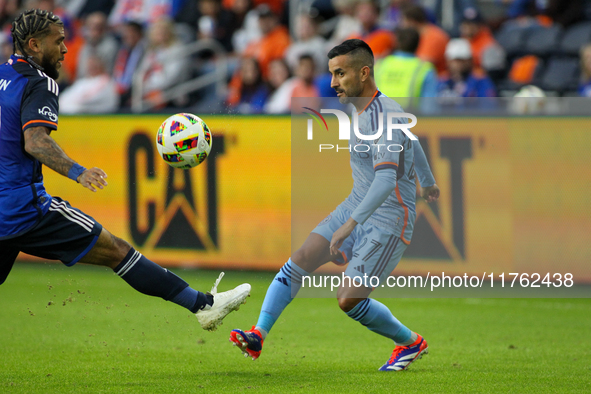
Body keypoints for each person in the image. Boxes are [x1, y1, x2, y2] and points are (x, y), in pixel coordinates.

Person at [0, 9, 250, 332]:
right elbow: (34, 142)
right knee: (117, 250)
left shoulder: (3, 77)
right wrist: (79, 172)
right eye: (58, 42)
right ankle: (203, 305)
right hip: (24, 209)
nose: (65, 49)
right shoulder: (39, 82)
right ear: (34, 45)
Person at [229, 39, 440, 371]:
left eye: (340, 73)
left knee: (348, 300)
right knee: (300, 259)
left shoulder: (386, 115)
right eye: (332, 74)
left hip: (389, 219)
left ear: (364, 72)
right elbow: (412, 142)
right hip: (357, 203)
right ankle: (258, 335)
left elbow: (385, 182)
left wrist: (348, 227)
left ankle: (410, 342)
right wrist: (427, 182)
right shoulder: (361, 109)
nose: (332, 83)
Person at [375, 27, 438, 105]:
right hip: (410, 116)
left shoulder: (379, 65)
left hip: (380, 116)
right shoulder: (425, 69)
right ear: (418, 44)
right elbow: (428, 107)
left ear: (396, 43)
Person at [401, 4, 449, 75]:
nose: (402, 26)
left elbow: (425, 64)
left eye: (403, 21)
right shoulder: (418, 36)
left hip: (437, 79)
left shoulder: (434, 37)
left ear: (412, 22)